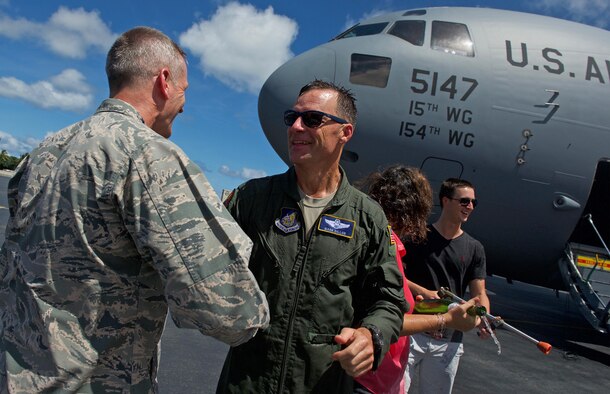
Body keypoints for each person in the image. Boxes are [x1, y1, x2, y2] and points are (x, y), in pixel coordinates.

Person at [0, 26, 269, 393]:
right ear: (164, 81)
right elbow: (227, 308)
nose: (184, 104)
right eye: (184, 90)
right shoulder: (146, 154)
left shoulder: (42, 153)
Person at [218, 80, 408, 393]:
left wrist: (372, 335)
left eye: (311, 119)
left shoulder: (368, 217)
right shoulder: (252, 199)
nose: (295, 127)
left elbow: (388, 299)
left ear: (345, 132)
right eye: (291, 117)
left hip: (323, 385)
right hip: (247, 383)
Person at [354, 166, 479, 394]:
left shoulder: (390, 245)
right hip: (368, 379)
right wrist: (446, 319)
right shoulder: (382, 246)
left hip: (381, 379)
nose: (469, 206)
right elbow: (388, 320)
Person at [404, 178, 490, 393]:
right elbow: (396, 276)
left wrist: (483, 315)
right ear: (445, 201)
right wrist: (423, 292)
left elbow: (480, 293)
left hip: (448, 341)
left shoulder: (474, 248)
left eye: (473, 202)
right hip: (413, 333)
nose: (469, 206)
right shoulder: (417, 237)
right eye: (464, 201)